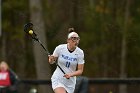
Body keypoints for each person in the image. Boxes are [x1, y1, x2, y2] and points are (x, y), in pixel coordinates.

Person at [49, 28, 85, 93]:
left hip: (70, 82)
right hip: (58, 79)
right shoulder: (60, 48)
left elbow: (80, 71)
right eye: (73, 39)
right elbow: (51, 62)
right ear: (68, 40)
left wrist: (70, 74)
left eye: (77, 39)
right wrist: (51, 59)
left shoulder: (80, 53)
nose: (76, 41)